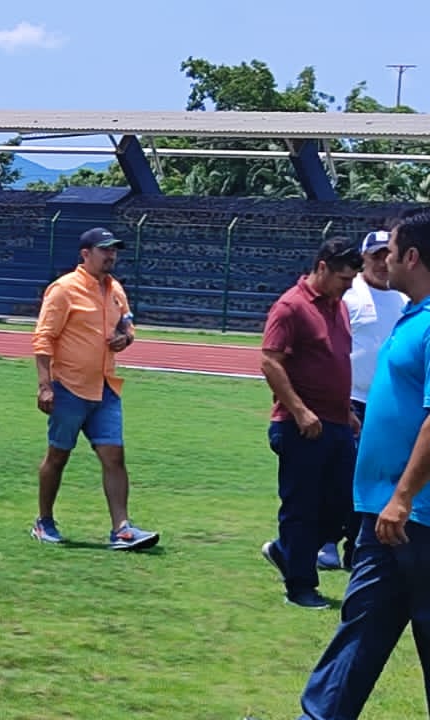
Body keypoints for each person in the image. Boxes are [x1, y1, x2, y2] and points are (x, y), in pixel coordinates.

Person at [296, 208, 430, 718]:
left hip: (417, 516)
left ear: (411, 257)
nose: (384, 260)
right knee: (360, 629)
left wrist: (403, 497)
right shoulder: (411, 315)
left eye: (390, 251)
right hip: (383, 514)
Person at [29, 227, 160, 552]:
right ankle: (44, 522)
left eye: (114, 250)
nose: (111, 255)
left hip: (106, 388)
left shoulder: (115, 289)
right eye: (105, 250)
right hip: (69, 387)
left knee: (114, 456)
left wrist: (126, 338)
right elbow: (44, 337)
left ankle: (122, 529)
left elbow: (127, 324)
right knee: (58, 456)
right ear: (85, 254)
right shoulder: (64, 289)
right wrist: (45, 386)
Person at [259, 237, 363, 609]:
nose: (348, 286)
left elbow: (334, 362)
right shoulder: (291, 306)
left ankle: (287, 551)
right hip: (299, 425)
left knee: (346, 504)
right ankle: (300, 586)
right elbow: (270, 361)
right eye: (344, 279)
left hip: (337, 422)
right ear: (322, 268)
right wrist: (300, 410)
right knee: (301, 507)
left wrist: (346, 411)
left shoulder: (339, 306)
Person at [320, 228, 406, 571]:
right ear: (364, 259)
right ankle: (327, 539)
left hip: (386, 405)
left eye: (388, 255)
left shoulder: (403, 299)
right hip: (350, 400)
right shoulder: (349, 296)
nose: (383, 264)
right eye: (375, 257)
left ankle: (355, 547)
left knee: (375, 478)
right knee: (343, 475)